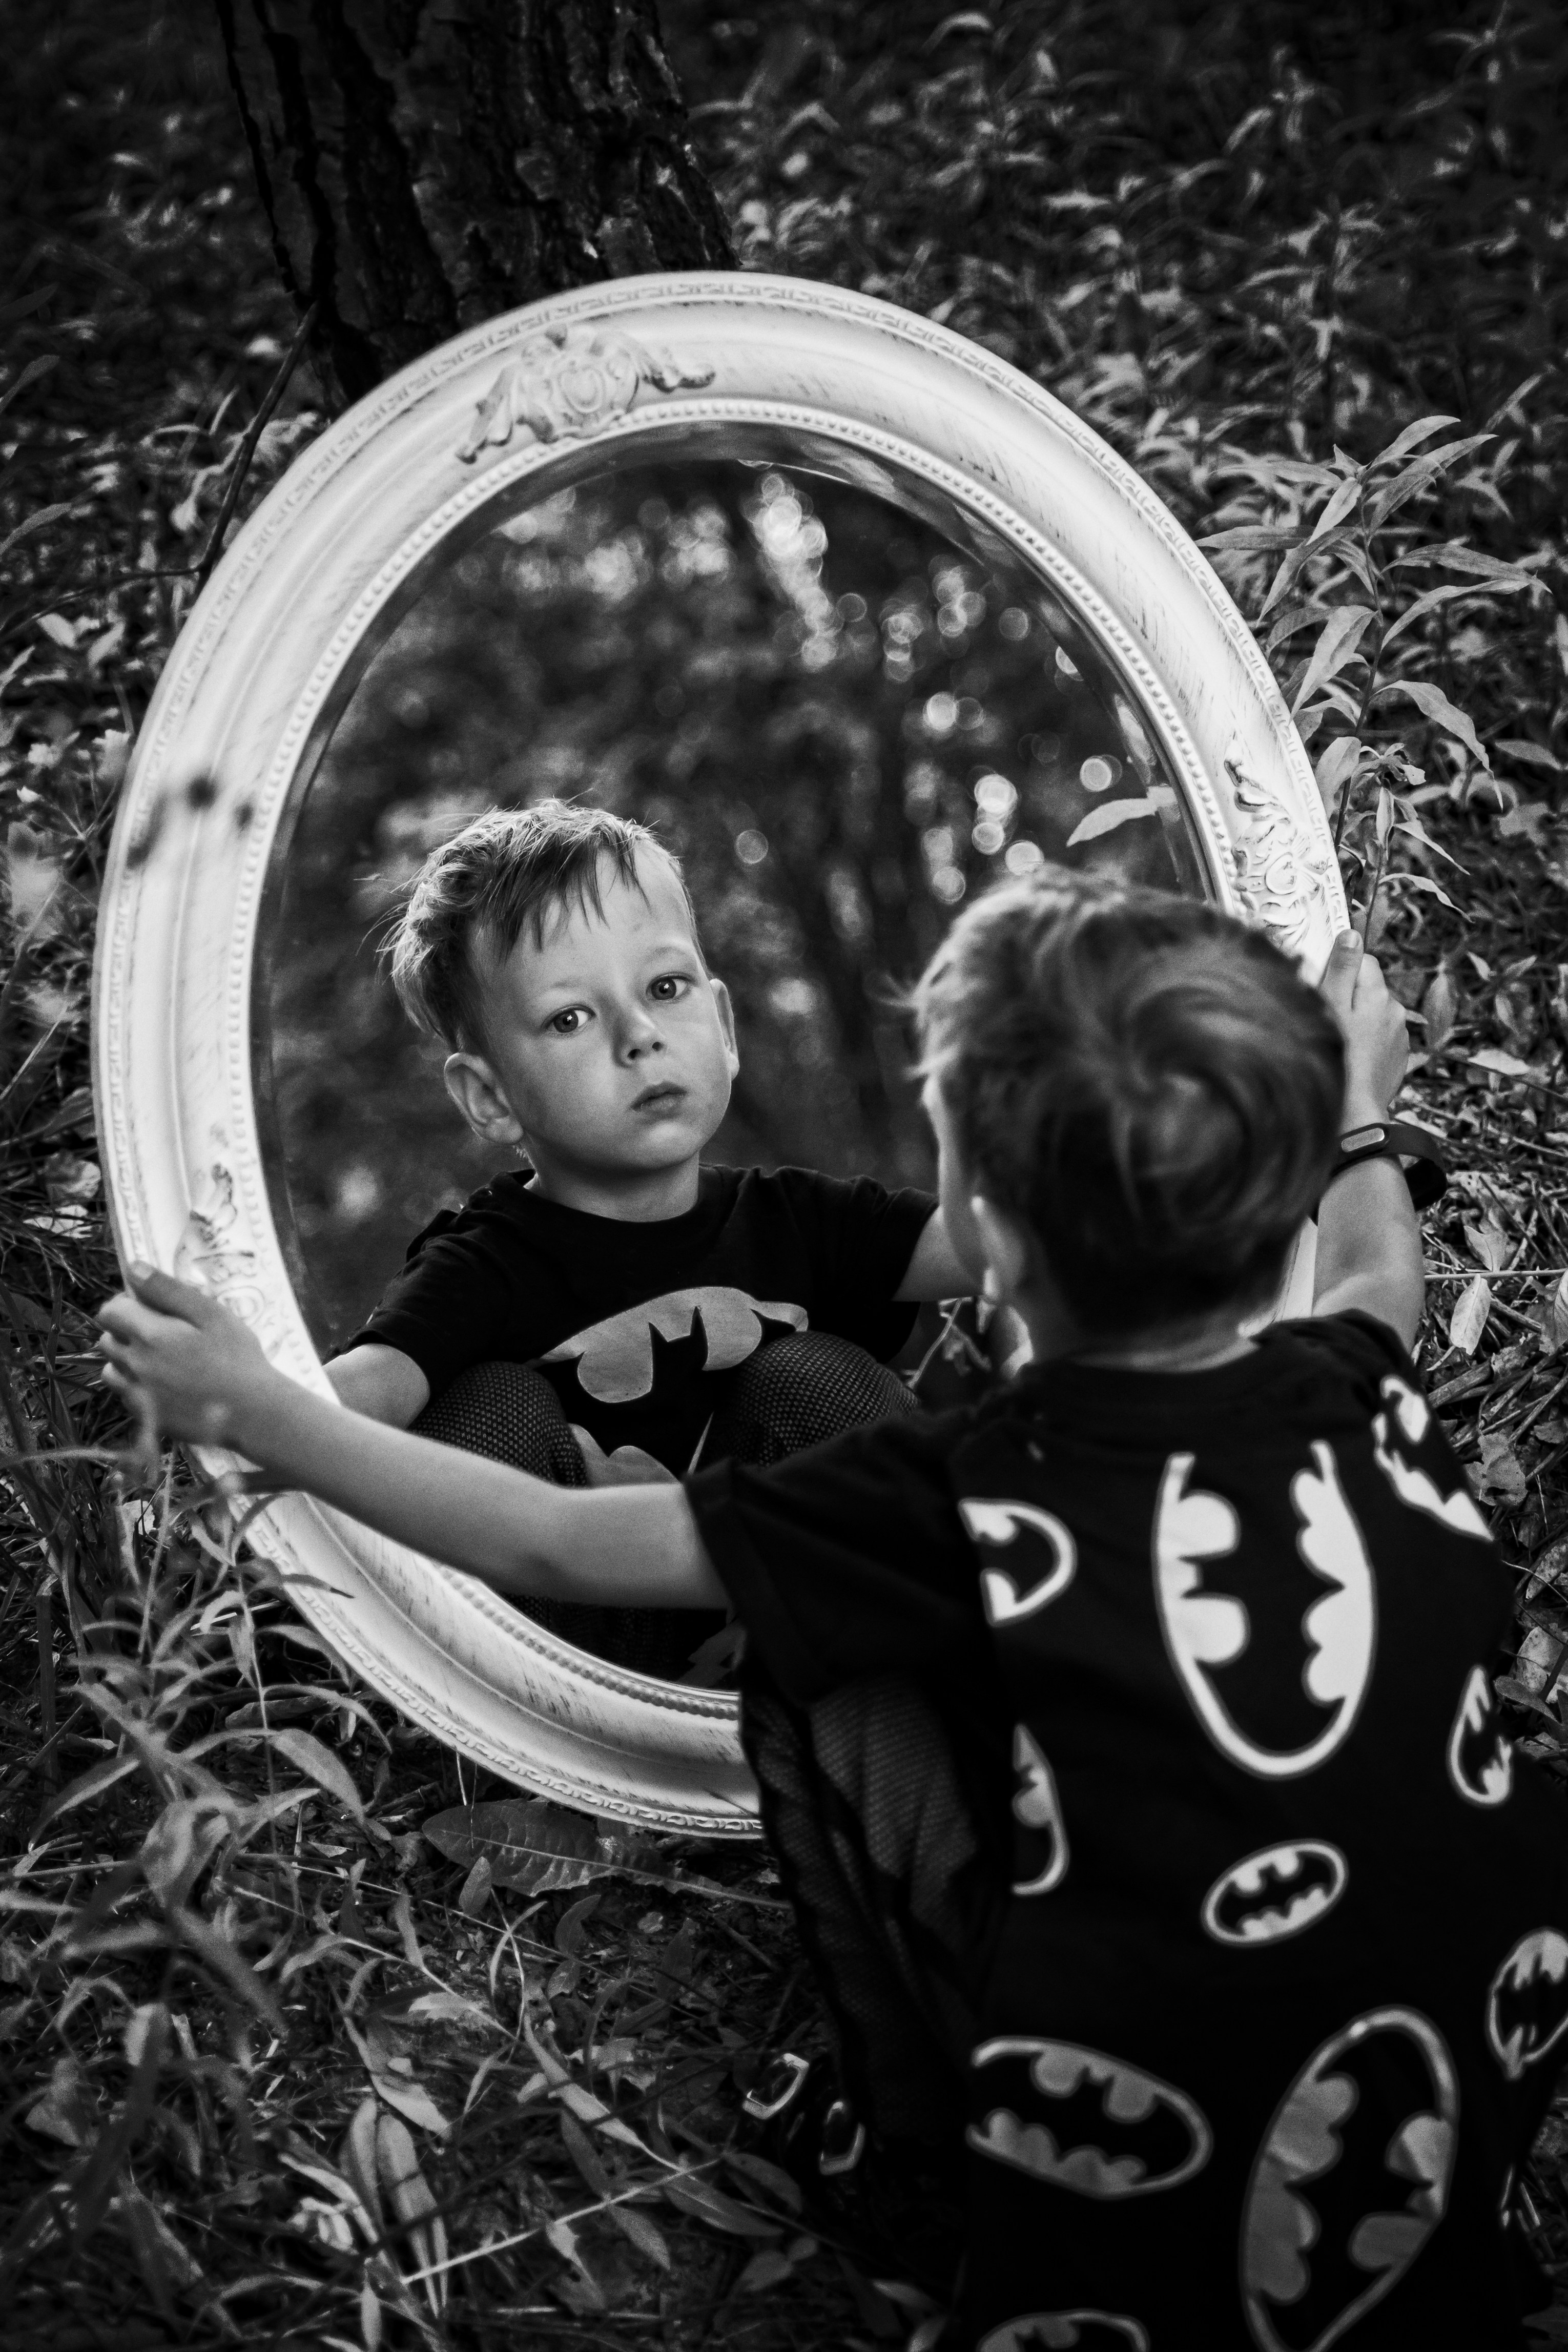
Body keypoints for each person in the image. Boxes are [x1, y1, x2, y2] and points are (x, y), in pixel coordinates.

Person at [98, 872, 1563, 2347]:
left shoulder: (967, 1487)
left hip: (1156, 2129)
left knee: (844, 1660)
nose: (639, 1035)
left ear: (982, 1221)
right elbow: (1378, 1271)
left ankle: (924, 2150)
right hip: (1472, 2045)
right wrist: (1355, 1114)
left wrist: (255, 1417)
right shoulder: (1341, 1375)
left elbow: (552, 1534)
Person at [323, 799, 971, 1669]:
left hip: (789, 1642)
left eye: (665, 989)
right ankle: (490, 1743)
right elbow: (349, 1404)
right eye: (570, 1018)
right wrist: (221, 1411)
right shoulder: (485, 1263)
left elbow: (999, 1242)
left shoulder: (797, 1220)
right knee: (488, 1407)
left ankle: (928, 1683)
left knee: (816, 1375)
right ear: (491, 1098)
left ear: (725, 1028)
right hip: (563, 1658)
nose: (640, 1037)